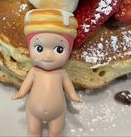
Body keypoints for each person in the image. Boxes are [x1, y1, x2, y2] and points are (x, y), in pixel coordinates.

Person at [12, 9, 81, 137]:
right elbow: (25, 86)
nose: (48, 55)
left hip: (58, 112)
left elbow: (69, 89)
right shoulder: (34, 71)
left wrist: (73, 96)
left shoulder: (62, 73)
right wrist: (20, 93)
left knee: (56, 133)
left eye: (59, 49)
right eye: (39, 48)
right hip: (33, 111)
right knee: (33, 132)